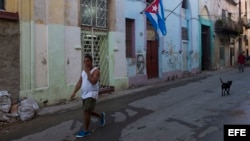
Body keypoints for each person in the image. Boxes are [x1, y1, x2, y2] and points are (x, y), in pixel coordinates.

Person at [70, 54, 105, 138]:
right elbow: (79, 82)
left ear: (91, 61)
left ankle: (85, 131)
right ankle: (101, 116)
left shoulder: (96, 71)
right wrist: (74, 92)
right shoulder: (83, 71)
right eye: (84, 61)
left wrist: (88, 72)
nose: (86, 63)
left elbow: (93, 81)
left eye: (87, 61)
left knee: (86, 111)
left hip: (92, 94)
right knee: (88, 111)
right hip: (84, 94)